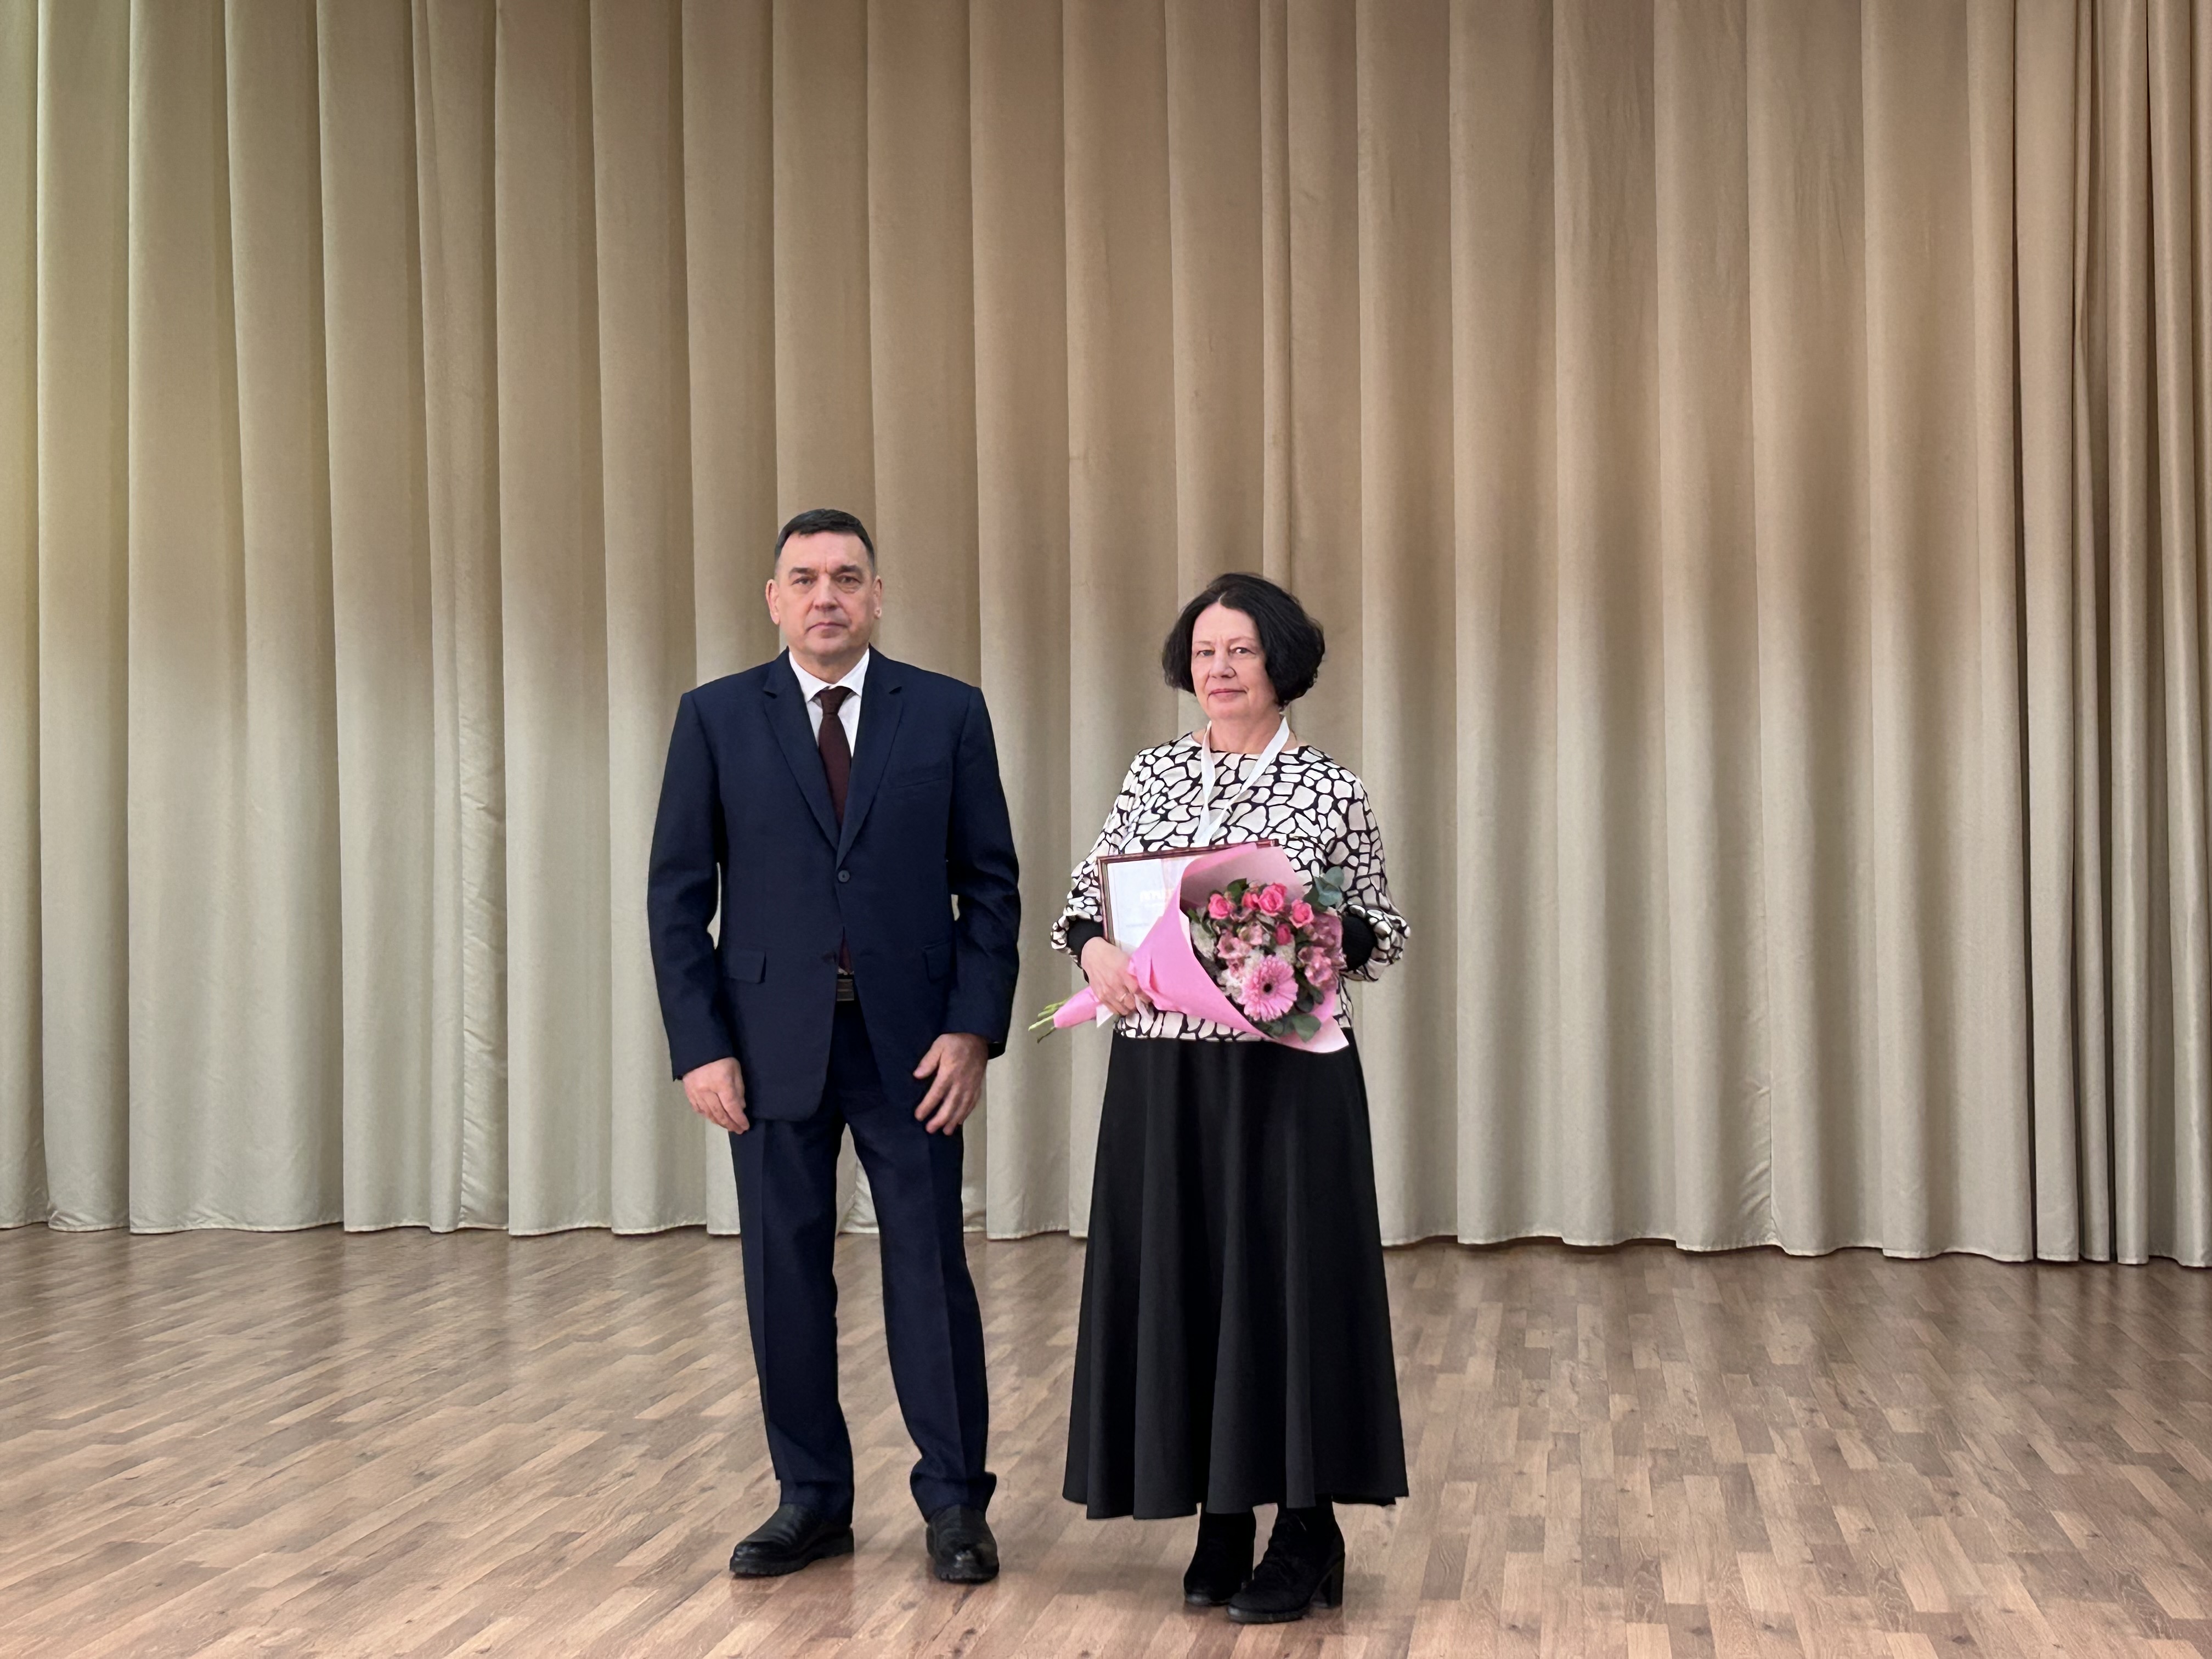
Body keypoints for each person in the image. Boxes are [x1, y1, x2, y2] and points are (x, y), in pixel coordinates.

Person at [647, 507, 1020, 1584]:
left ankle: (956, 1504)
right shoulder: (716, 718)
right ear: (774, 600)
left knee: (930, 1273)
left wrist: (972, 1028)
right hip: (767, 1050)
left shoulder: (947, 712)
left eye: (847, 577)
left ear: (878, 596)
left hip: (914, 1048)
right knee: (783, 1279)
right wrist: (700, 1047)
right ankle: (810, 1500)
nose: (827, 596)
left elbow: (991, 888)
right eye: (806, 579)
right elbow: (677, 898)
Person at [1053, 572, 1410, 1625]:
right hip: (1163, 1073)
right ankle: (1220, 1515)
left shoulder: (1329, 787)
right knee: (1191, 1282)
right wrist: (1098, 952)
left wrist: (1297, 925)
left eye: (1240, 651)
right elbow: (1084, 905)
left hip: (1287, 1076)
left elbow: (1382, 932)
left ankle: (1307, 1526)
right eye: (1205, 652)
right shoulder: (1152, 771)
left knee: (1287, 1289)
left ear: (1281, 663)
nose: (1219, 669)